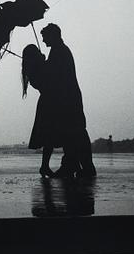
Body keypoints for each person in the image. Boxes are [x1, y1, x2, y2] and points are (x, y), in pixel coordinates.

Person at [39, 23, 96, 178]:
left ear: (53, 35)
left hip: (67, 100)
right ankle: (74, 165)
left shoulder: (59, 52)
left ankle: (76, 166)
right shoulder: (59, 50)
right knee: (73, 133)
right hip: (69, 98)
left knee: (74, 132)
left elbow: (54, 76)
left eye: (45, 37)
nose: (43, 41)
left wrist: (43, 65)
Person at [21, 44, 55, 178]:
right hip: (49, 102)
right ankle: (44, 166)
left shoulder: (31, 70)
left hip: (46, 102)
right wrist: (45, 62)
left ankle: (44, 166)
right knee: (50, 136)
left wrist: (43, 62)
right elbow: (50, 79)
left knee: (49, 137)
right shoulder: (36, 70)